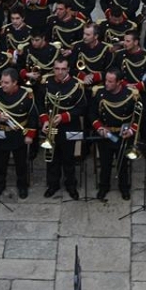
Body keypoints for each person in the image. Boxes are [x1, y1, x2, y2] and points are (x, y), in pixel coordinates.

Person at [39, 56, 86, 200]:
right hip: (51, 126)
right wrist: (45, 121)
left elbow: (82, 107)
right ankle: (53, 184)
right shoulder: (46, 82)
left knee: (68, 158)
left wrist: (64, 117)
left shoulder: (77, 85)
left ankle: (71, 185)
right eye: (57, 69)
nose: (59, 72)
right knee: (51, 157)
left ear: (68, 70)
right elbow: (40, 105)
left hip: (69, 126)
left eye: (63, 69)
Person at [90, 67, 139, 200]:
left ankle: (124, 187)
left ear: (119, 82)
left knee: (122, 163)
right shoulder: (99, 93)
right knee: (105, 163)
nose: (106, 83)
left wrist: (131, 130)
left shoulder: (130, 95)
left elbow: (139, 116)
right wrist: (99, 127)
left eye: (110, 81)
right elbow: (92, 114)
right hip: (105, 134)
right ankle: (103, 187)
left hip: (122, 135)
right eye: (106, 80)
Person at [0, 68, 37, 199]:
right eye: (2, 82)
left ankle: (22, 186)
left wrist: (30, 135)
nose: (2, 85)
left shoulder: (26, 94)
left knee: (21, 163)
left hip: (18, 133)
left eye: (6, 82)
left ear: (15, 82)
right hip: (1, 132)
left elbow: (32, 116)